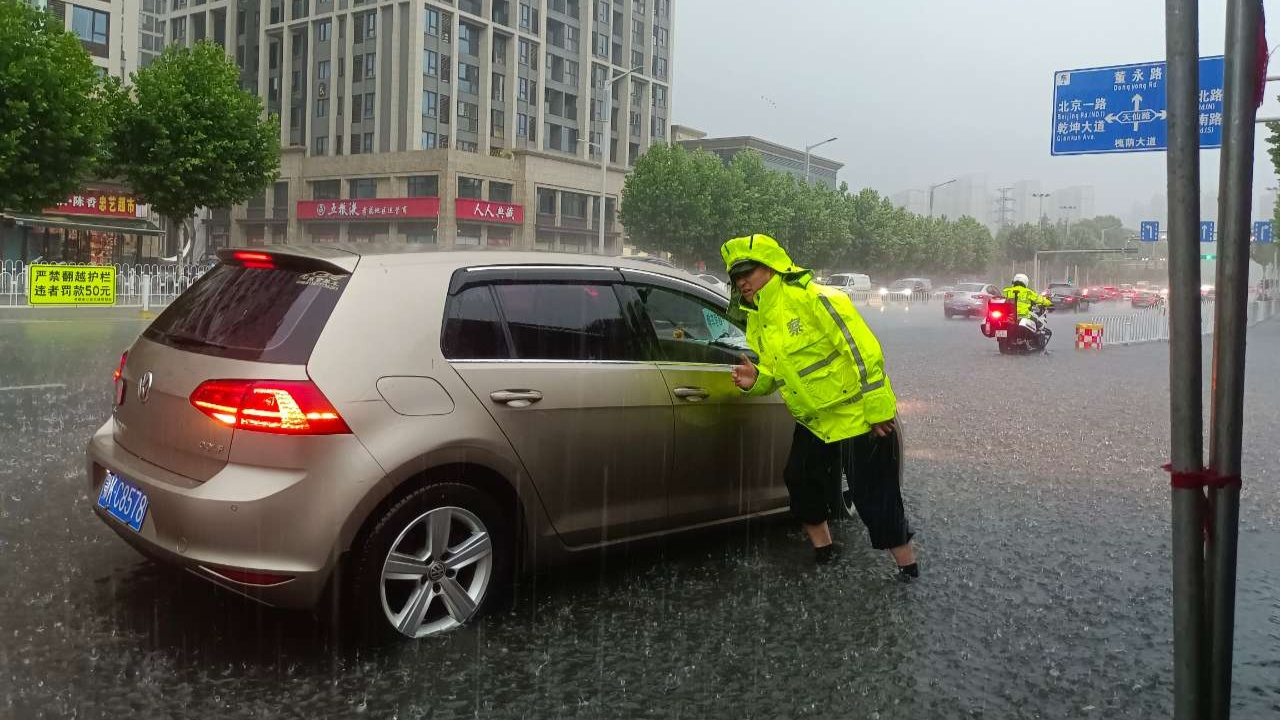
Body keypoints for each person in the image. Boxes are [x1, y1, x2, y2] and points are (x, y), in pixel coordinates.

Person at [721, 233, 918, 580]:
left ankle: (907, 568)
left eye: (747, 273)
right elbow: (780, 370)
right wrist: (758, 380)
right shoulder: (758, 320)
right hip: (813, 421)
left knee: (875, 498)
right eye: (736, 277)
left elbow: (862, 351)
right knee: (800, 480)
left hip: (857, 416)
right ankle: (825, 552)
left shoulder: (816, 298)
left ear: (770, 268)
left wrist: (877, 407)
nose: (741, 282)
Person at [1002, 273, 1052, 342]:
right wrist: (1049, 303)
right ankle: (1036, 337)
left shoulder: (1007, 291)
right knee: (1038, 322)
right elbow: (1040, 300)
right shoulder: (1028, 292)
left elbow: (1002, 299)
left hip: (1009, 316)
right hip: (1024, 315)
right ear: (1025, 282)